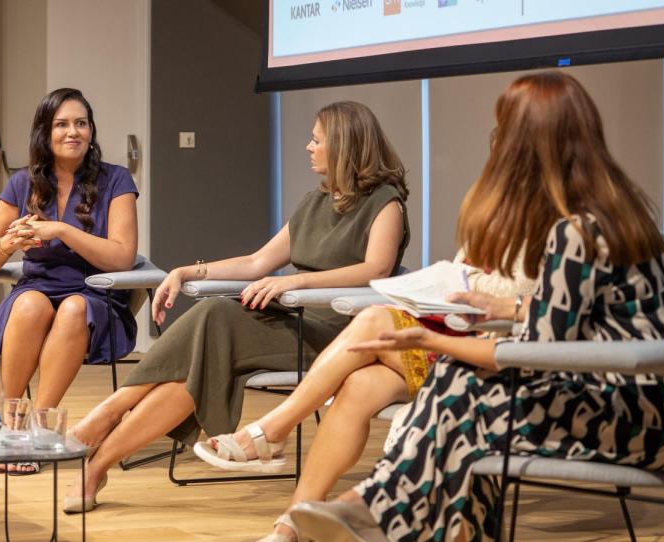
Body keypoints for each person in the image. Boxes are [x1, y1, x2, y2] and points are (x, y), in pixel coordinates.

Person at [290, 71, 664, 542]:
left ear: (522, 145)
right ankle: (404, 523)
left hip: (635, 426)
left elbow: (543, 355)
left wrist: (434, 338)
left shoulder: (577, 233)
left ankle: (387, 508)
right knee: (461, 391)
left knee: (462, 390)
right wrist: (515, 310)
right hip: (647, 410)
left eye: (502, 130)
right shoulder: (623, 214)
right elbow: (586, 323)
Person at [63, 101, 411, 513]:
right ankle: (97, 464)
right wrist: (187, 272)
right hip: (291, 319)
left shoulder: (385, 202)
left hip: (338, 332)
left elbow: (376, 268)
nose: (308, 147)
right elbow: (256, 262)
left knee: (217, 315)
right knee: (200, 362)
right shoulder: (314, 202)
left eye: (317, 140)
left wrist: (297, 280)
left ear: (344, 145)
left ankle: (109, 415)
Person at [190, 257, 534, 542]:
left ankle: (273, 433)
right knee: (359, 385)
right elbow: (461, 279)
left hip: (498, 357)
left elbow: (518, 294)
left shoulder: (556, 228)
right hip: (459, 344)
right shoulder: (496, 218)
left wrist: (462, 279)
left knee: (373, 319)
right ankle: (295, 520)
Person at [0, 88, 139, 474]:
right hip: (37, 290)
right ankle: (9, 424)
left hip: (95, 296)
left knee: (74, 308)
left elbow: (123, 255)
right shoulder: (23, 183)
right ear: (45, 131)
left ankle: (40, 428)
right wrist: (11, 241)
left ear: (91, 131)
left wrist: (61, 229)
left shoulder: (117, 180)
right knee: (29, 303)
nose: (72, 132)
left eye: (81, 123)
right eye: (62, 124)